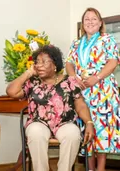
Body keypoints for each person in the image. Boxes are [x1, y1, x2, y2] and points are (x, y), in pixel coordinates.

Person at [6, 45, 94, 171]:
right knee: (35, 132)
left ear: (55, 65)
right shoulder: (32, 82)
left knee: (73, 134)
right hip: (38, 122)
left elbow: (80, 105)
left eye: (44, 62)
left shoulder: (69, 81)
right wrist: (29, 72)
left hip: (65, 123)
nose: (39, 65)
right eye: (37, 62)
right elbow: (11, 92)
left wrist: (89, 122)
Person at [66, 7, 120, 171]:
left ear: (100, 22)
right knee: (85, 129)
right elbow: (69, 63)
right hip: (82, 92)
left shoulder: (107, 39)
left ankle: (101, 168)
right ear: (83, 24)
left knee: (102, 130)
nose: (90, 22)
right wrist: (74, 77)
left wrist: (96, 78)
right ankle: (90, 168)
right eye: (87, 19)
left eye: (94, 19)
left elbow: (113, 62)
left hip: (103, 91)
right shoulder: (76, 43)